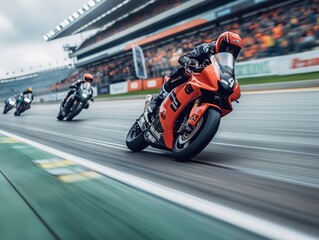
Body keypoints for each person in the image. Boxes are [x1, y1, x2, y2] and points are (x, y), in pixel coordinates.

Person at [148, 31, 243, 113]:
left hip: (208, 82)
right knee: (184, 72)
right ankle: (157, 101)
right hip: (194, 75)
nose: (230, 52)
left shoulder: (227, 62)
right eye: (228, 48)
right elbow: (185, 57)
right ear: (220, 43)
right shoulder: (206, 48)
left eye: (234, 51)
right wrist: (189, 62)